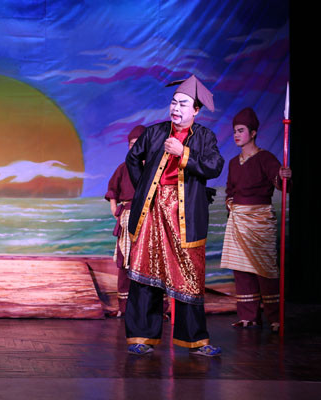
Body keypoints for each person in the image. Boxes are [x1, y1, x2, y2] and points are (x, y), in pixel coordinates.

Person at [124, 75, 224, 356]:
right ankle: (142, 337)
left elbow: (214, 166)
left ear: (196, 110)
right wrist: (144, 188)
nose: (176, 108)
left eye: (183, 104)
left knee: (189, 273)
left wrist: (184, 153)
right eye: (173, 102)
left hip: (185, 214)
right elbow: (133, 159)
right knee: (146, 270)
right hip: (153, 210)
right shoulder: (154, 132)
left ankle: (195, 340)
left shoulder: (204, 137)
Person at [220, 107, 291, 333]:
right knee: (241, 269)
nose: (236, 135)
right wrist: (232, 205)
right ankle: (248, 317)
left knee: (265, 269)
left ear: (253, 133)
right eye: (234, 131)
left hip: (259, 219)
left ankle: (274, 317)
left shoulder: (265, 158)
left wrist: (283, 176)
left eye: (241, 130)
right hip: (238, 219)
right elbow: (229, 191)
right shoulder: (233, 162)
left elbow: (280, 181)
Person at [105, 125, 145, 316]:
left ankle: (153, 308)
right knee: (125, 261)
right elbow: (112, 189)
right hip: (128, 216)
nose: (134, 147)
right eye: (131, 144)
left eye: (138, 143)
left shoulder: (154, 168)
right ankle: (125, 307)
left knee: (150, 263)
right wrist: (114, 207)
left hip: (149, 217)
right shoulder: (123, 168)